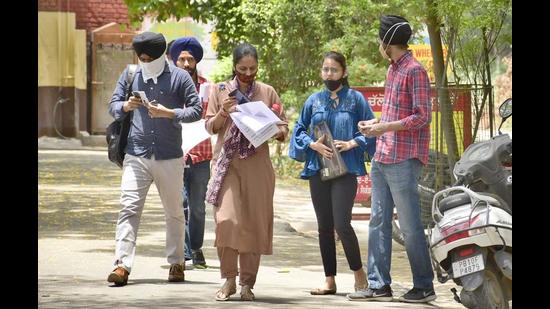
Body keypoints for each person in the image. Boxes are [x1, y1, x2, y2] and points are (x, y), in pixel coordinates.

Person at [346, 15, 436, 303]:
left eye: (379, 40)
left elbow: (423, 116)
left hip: (404, 158)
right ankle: (379, 284)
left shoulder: (414, 71)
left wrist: (384, 127)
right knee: (377, 221)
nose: (378, 45)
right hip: (384, 155)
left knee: (409, 226)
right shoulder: (392, 69)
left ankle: (423, 285)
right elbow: (395, 114)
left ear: (387, 42)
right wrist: (374, 126)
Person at [106, 31, 202, 286]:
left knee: (174, 212)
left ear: (160, 57)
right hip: (135, 154)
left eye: (148, 58)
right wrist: (125, 106)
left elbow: (196, 110)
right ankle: (122, 265)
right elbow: (112, 105)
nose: (143, 62)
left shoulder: (180, 77)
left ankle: (176, 263)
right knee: (128, 207)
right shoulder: (131, 75)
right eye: (141, 57)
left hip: (170, 156)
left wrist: (170, 113)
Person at [204, 42, 288, 301]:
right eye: (243, 68)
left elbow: (283, 130)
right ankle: (228, 279)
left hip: (257, 166)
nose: (248, 73)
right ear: (234, 66)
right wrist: (223, 112)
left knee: (253, 223)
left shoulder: (267, 92)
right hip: (227, 165)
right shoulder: (220, 90)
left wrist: (277, 129)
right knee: (227, 221)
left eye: (252, 68)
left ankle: (247, 284)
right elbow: (210, 126)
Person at [288, 51, 376, 296]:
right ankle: (329, 280)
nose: (329, 74)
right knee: (324, 227)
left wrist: (352, 143)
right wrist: (311, 145)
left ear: (343, 72)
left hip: (345, 170)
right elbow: (298, 129)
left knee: (342, 224)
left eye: (334, 70)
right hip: (318, 169)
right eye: (326, 69)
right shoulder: (313, 101)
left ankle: (359, 274)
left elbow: (372, 128)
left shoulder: (356, 100)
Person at [169, 37, 212, 269]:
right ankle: (185, 252)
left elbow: (212, 117)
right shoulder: (169, 87)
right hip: (175, 153)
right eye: (182, 59)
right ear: (175, 61)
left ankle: (196, 247)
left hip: (201, 153)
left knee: (197, 206)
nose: (186, 64)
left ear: (196, 61)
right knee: (180, 203)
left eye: (190, 59)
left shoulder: (208, 87)